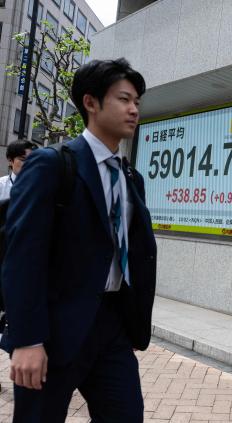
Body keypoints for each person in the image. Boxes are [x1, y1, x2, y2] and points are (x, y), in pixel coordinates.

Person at [1, 58, 157, 422]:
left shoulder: (131, 178)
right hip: (53, 330)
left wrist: (133, 322)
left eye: (137, 101)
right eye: (123, 99)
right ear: (91, 102)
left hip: (111, 327)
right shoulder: (51, 165)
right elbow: (22, 258)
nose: (134, 109)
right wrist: (27, 339)